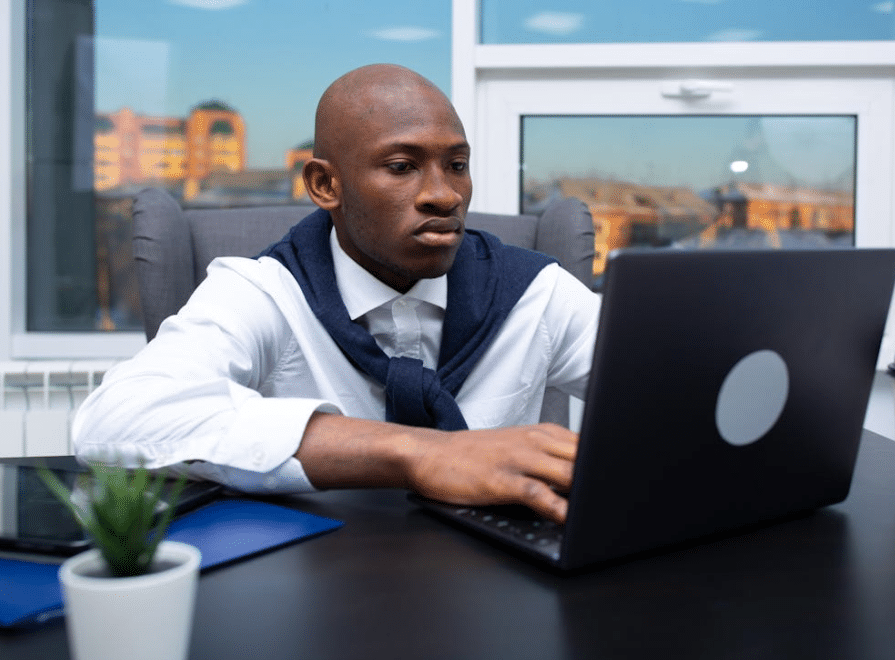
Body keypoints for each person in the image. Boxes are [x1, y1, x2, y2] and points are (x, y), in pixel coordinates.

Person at [74, 64, 600, 523]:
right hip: (309, 589)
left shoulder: (533, 292)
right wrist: (418, 452)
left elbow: (666, 393)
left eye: (457, 165)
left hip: (502, 590)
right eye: (402, 167)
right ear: (326, 186)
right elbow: (117, 418)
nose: (444, 194)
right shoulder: (266, 291)